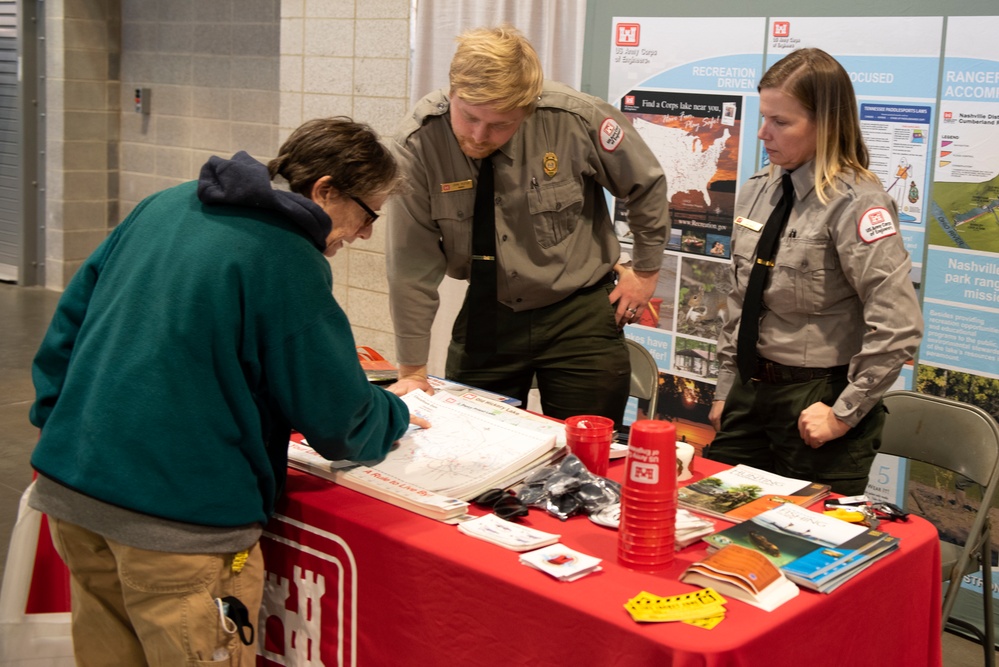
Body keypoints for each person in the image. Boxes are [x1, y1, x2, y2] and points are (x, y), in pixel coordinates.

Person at [27, 117, 426, 666]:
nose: (363, 234)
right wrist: (397, 409)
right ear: (326, 190)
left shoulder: (167, 204)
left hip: (73, 498)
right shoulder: (287, 258)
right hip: (178, 530)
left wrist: (62, 427)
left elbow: (65, 333)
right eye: (367, 214)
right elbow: (341, 422)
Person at [384, 25, 670, 426]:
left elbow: (647, 184)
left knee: (587, 455)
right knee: (471, 443)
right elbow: (410, 266)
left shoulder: (574, 118)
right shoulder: (418, 144)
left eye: (500, 124)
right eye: (468, 117)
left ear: (528, 107)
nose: (480, 136)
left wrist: (646, 272)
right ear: (452, 92)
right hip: (489, 310)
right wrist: (412, 369)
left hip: (580, 311)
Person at [706, 49, 923, 495]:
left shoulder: (856, 203)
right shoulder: (757, 190)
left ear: (826, 123)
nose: (764, 133)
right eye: (764, 117)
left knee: (807, 551)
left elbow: (898, 325)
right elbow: (740, 298)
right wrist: (727, 386)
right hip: (750, 393)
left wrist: (843, 414)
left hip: (817, 401)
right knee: (715, 529)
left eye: (781, 122)